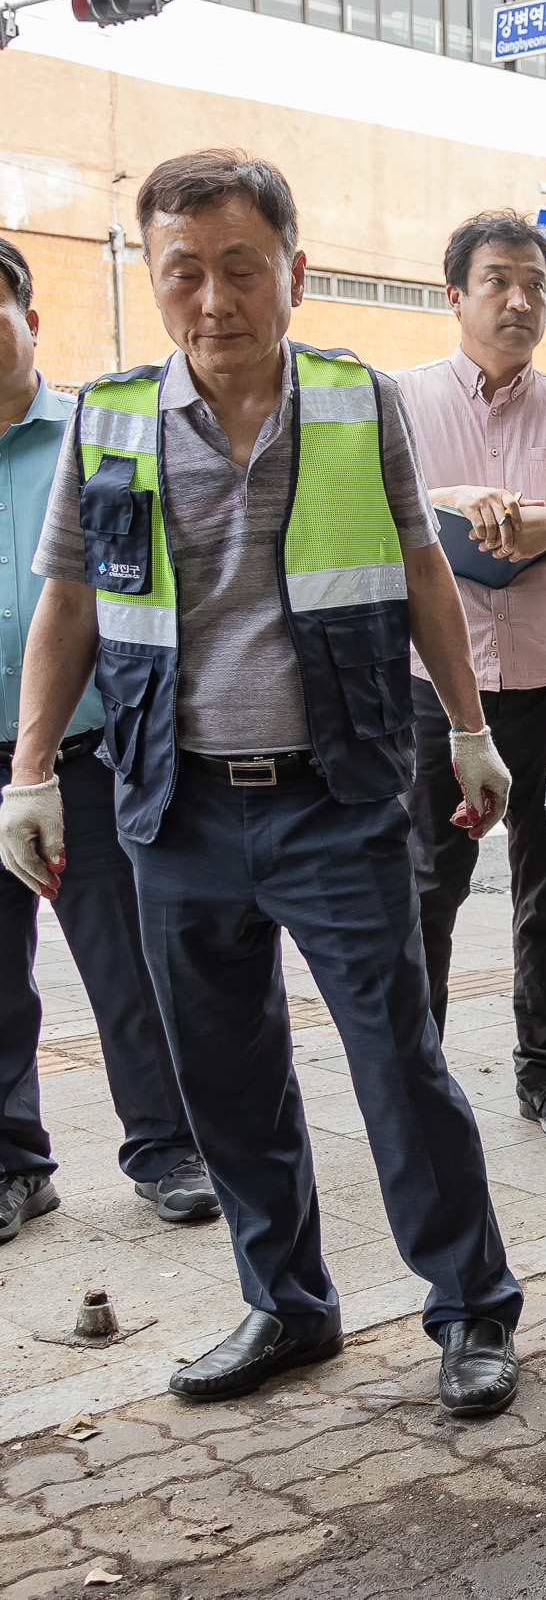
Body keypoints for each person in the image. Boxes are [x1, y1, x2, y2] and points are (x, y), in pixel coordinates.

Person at [0, 151, 523, 1414]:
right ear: (152, 277)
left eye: (240, 267)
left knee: (399, 1061)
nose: (213, 298)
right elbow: (68, 597)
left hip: (333, 793)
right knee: (226, 1078)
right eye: (184, 271)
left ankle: (470, 1313)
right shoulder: (111, 415)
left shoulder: (354, 400)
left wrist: (468, 727)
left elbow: (421, 566)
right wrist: (27, 772)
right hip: (173, 808)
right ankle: (287, 1306)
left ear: (292, 268)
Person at [396, 211, 546, 1142]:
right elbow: (373, 514)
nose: (518, 298)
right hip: (432, 685)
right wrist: (450, 502)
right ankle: (417, 1075)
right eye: (496, 280)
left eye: (534, 282)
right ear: (455, 295)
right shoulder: (400, 401)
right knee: (425, 886)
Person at [0, 238, 214, 1243]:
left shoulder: (98, 429)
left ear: (30, 322)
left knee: (126, 963)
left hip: (86, 758)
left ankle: (167, 1146)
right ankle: (14, 1163)